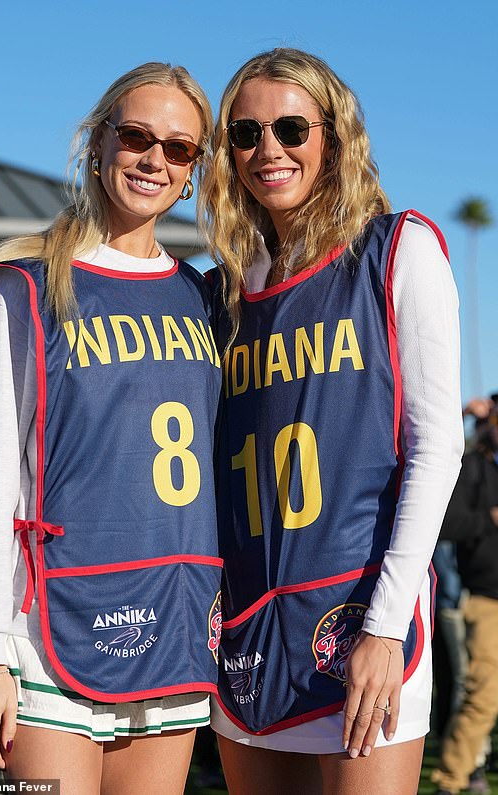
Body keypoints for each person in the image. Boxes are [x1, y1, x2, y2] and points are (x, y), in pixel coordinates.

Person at [0, 62, 222, 795]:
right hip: (46, 629)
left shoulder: (201, 296)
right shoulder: (24, 285)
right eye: (136, 136)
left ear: (194, 169)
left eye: (179, 147)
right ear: (98, 143)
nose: (154, 159)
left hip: (175, 613)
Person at [200, 48, 464, 794]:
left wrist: (383, 626)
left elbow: (437, 447)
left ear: (335, 136)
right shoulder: (226, 289)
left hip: (359, 615)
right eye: (245, 134)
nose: (268, 150)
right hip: (252, 622)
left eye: (290, 127)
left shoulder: (398, 248)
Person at [433, 384, 498, 795]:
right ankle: (450, 781)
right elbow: (445, 524)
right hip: (487, 603)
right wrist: (496, 516)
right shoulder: (473, 466)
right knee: (482, 702)